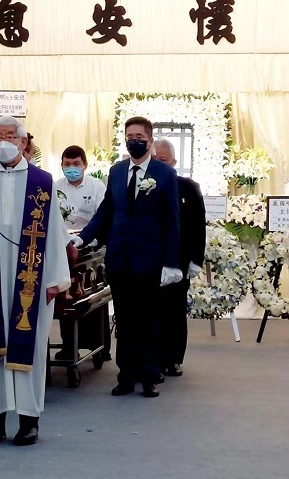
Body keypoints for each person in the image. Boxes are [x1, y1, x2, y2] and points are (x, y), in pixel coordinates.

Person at [0, 115, 71, 447]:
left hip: (30, 277)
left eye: (10, 136)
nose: (4, 141)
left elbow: (54, 232)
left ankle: (28, 421)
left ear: (23, 141)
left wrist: (55, 279)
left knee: (28, 348)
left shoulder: (42, 181)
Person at [71, 116, 182, 398]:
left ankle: (149, 375)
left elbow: (172, 220)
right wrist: (83, 237)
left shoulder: (164, 174)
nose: (134, 141)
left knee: (149, 319)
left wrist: (171, 262)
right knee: (124, 319)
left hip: (150, 258)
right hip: (120, 258)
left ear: (149, 140)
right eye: (129, 136)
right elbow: (106, 211)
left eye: (139, 137)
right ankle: (126, 375)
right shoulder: (117, 171)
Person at [153, 138, 206, 378]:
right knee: (152, 311)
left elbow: (198, 225)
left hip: (179, 259)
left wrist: (196, 259)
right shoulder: (145, 186)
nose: (159, 164)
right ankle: (153, 358)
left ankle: (173, 358)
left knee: (174, 310)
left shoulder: (188, 187)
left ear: (173, 162)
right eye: (155, 159)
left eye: (163, 160)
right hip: (151, 258)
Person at [54, 145, 111, 363]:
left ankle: (99, 346)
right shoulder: (54, 187)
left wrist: (90, 239)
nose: (72, 168)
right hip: (64, 247)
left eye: (76, 164)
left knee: (92, 297)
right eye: (67, 164)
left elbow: (102, 216)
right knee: (67, 297)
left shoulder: (96, 186)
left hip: (90, 246)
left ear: (84, 165)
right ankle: (70, 347)